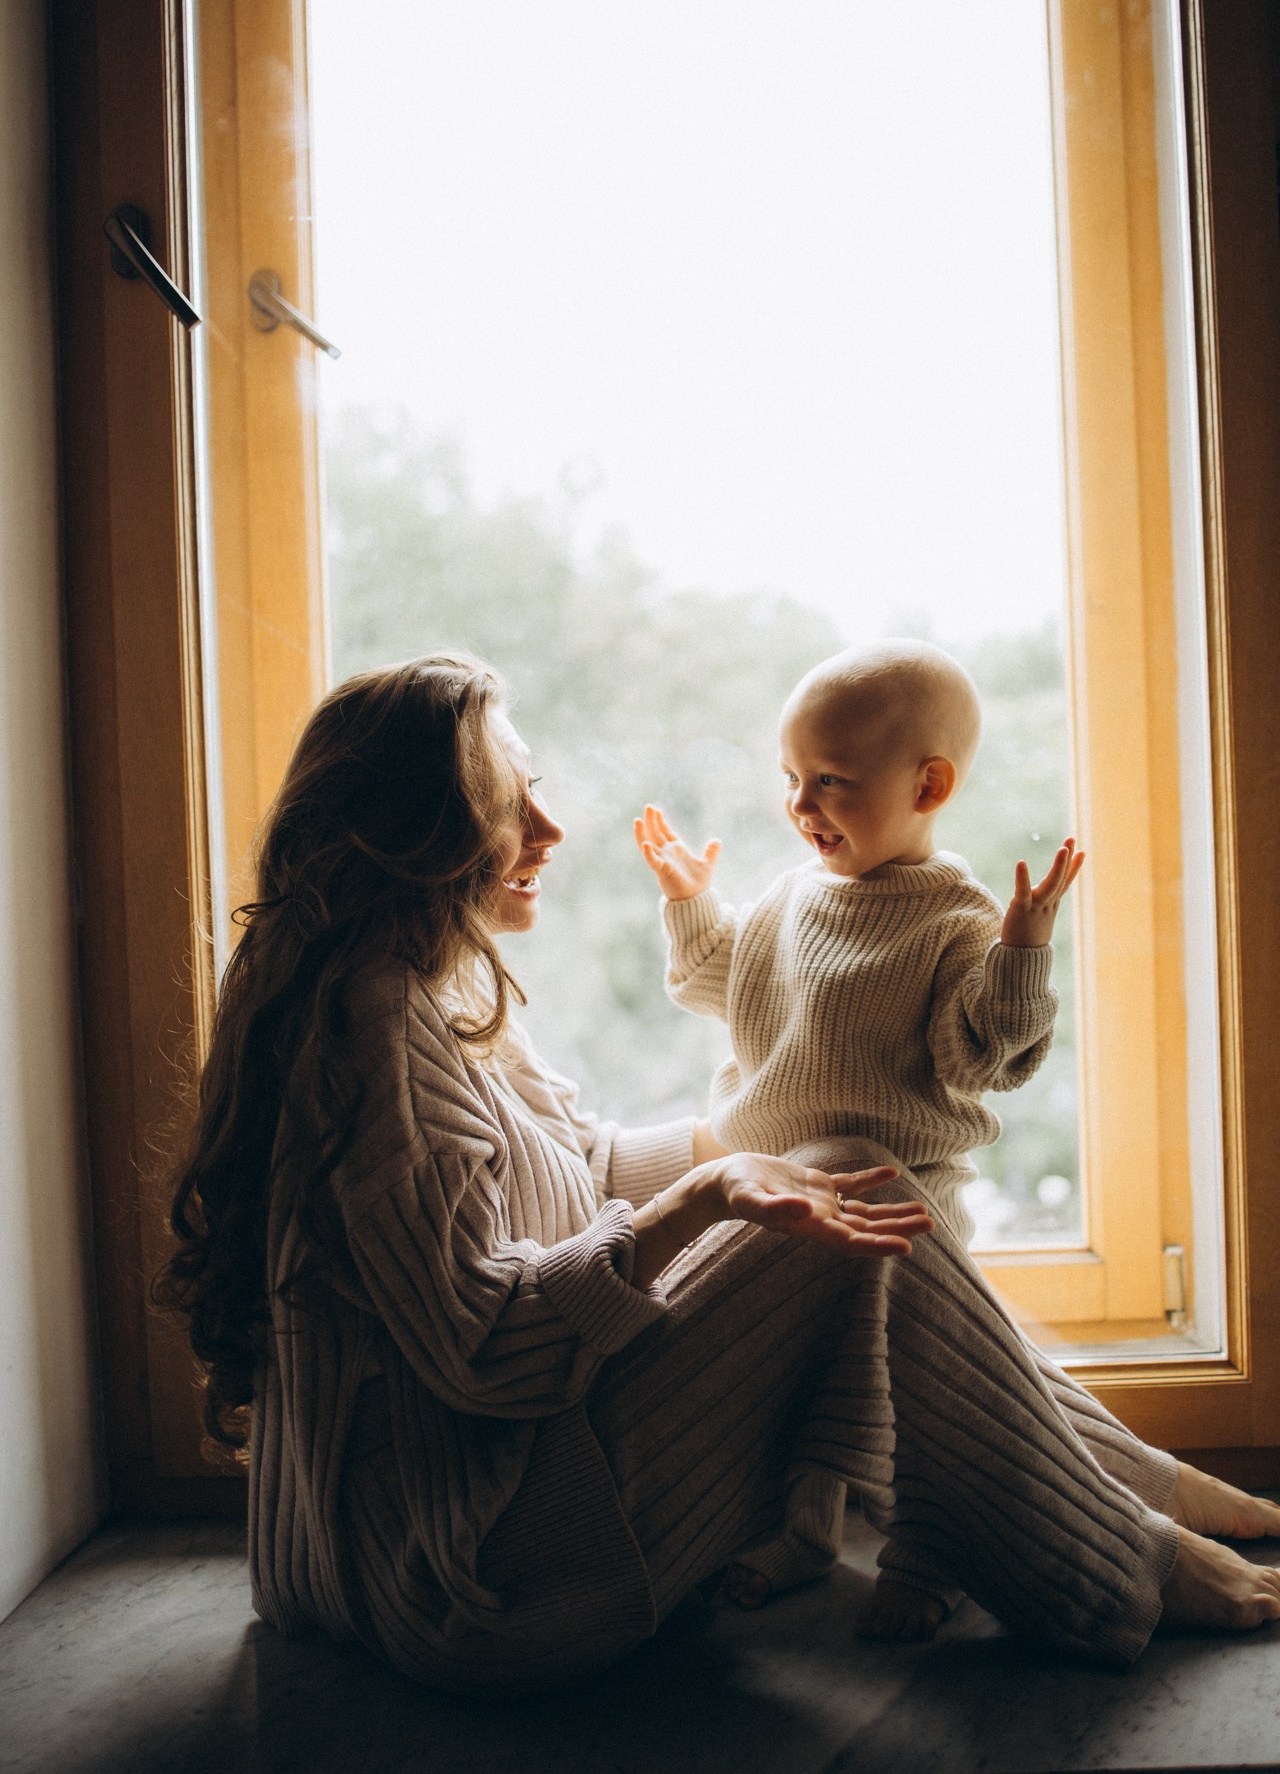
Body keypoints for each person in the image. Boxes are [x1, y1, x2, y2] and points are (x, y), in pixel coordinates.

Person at [158, 653, 1280, 1697]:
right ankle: (1120, 1546)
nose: (549, 827)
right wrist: (711, 1195)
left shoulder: (422, 991)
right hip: (473, 1574)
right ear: (418, 837)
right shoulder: (374, 1029)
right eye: (508, 806)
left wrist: (747, 1151)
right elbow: (486, 1348)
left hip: (433, 1538)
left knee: (836, 1169)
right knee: (855, 1185)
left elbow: (576, 1169)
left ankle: (1132, 1490)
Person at [633, 638, 1083, 1626]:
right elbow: (722, 988)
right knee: (796, 1385)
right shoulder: (788, 898)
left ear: (927, 785)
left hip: (905, 1192)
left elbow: (983, 1059)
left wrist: (1020, 950)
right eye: (789, 779)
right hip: (777, 1186)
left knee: (920, 1397)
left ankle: (929, 1559)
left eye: (829, 782)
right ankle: (798, 1538)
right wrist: (688, 905)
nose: (799, 805)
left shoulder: (950, 917)